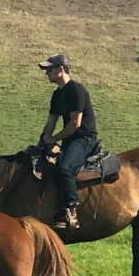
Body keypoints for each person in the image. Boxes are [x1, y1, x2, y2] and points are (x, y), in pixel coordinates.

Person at [39, 54, 98, 230]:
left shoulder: (76, 90)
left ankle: (72, 211)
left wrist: (54, 139)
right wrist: (43, 141)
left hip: (84, 138)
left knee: (64, 166)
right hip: (69, 139)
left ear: (61, 69)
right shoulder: (57, 95)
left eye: (49, 69)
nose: (46, 73)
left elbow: (75, 123)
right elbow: (50, 122)